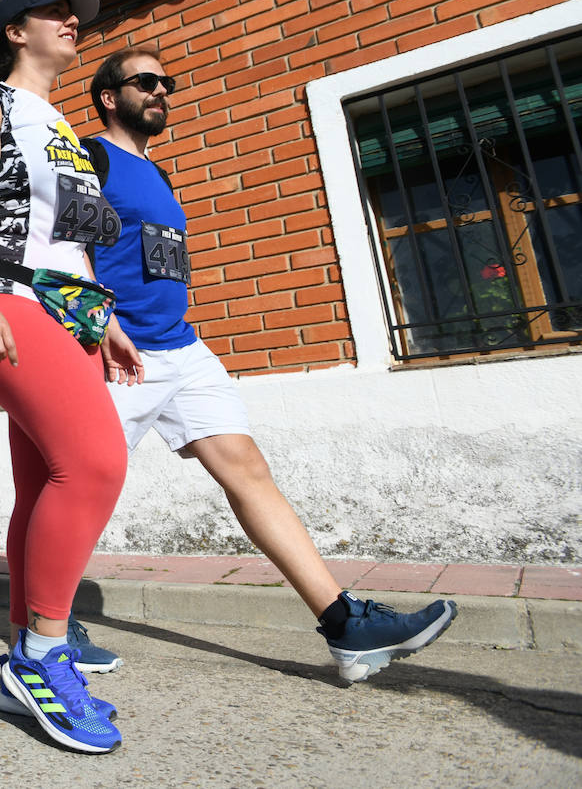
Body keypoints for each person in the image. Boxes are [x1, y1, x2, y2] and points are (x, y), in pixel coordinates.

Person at [82, 46, 458, 682]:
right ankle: (40, 627)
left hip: (182, 347)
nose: (160, 91)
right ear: (108, 97)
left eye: (166, 83)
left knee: (248, 470)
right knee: (82, 490)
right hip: (121, 354)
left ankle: (346, 627)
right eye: (145, 82)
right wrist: (102, 321)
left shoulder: (160, 173)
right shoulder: (92, 157)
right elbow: (65, 240)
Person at [0, 0, 145, 754]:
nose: (72, 22)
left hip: (68, 308)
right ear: (14, 31)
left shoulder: (58, 120)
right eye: (55, 13)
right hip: (3, 296)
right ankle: (40, 656)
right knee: (93, 465)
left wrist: (107, 320)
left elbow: (70, 239)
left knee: (45, 479)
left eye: (78, 15)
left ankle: (34, 631)